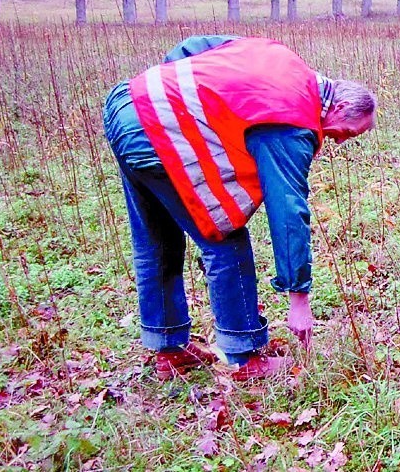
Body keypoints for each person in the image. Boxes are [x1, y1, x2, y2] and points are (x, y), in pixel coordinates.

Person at [103, 35, 377, 381]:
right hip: (152, 133)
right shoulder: (292, 121)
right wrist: (299, 300)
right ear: (337, 108)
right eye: (348, 133)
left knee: (157, 239)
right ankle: (245, 357)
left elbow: (192, 48)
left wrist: (166, 98)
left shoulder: (282, 58)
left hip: (127, 103)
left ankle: (168, 349)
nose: (339, 141)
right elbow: (288, 211)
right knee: (224, 234)